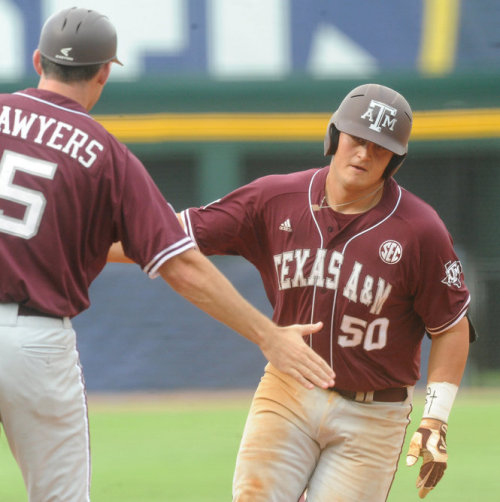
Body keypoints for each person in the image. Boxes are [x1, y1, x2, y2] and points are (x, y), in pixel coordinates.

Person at [0, 7, 335, 502]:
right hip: (36, 343)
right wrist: (268, 336)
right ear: (104, 73)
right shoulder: (107, 156)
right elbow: (179, 264)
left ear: (37, 60)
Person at [111, 83, 474, 501]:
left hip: (375, 413)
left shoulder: (420, 230)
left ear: (395, 160)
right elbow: (170, 235)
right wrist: (87, 245)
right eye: (357, 139)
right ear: (335, 136)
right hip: (289, 389)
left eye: (380, 148)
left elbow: (449, 327)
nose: (364, 154)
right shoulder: (276, 198)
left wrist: (436, 419)